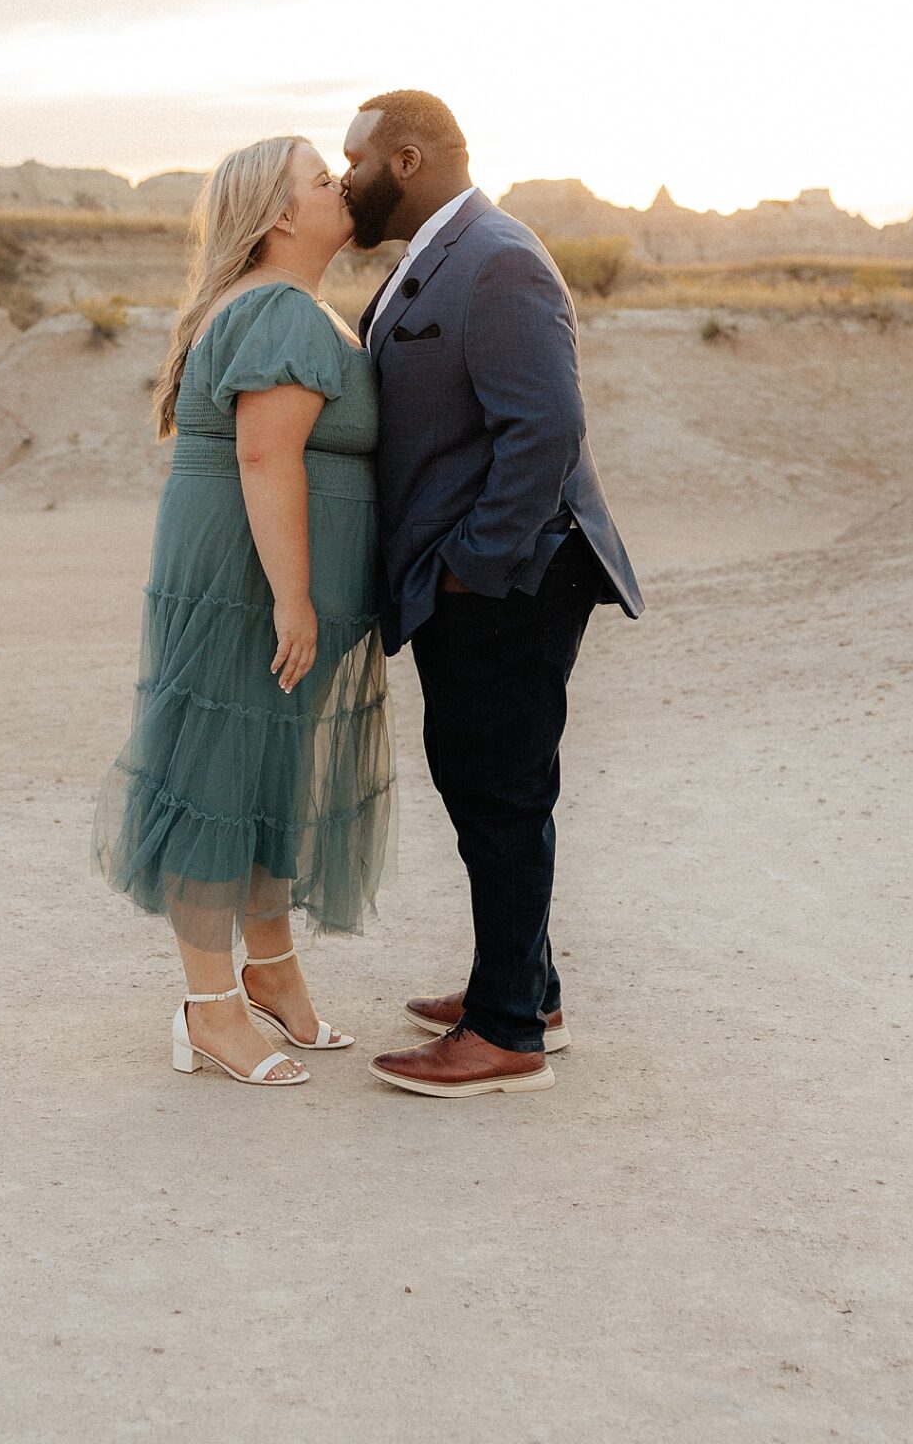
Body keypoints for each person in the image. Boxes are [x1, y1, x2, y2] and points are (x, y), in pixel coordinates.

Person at [343, 90, 642, 1099]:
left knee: (498, 791)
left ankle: (507, 1035)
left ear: (406, 158)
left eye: (354, 160)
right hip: (480, 575)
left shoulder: (497, 257)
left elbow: (545, 426)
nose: (345, 180)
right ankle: (526, 990)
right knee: (487, 784)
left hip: (510, 577)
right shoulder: (440, 255)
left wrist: (475, 560)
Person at [95, 136, 393, 1087]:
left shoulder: (286, 305)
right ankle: (210, 1008)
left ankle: (270, 973)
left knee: (270, 775)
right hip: (250, 582)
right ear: (279, 215)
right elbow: (265, 458)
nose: (342, 186)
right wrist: (293, 600)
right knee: (221, 777)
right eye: (322, 179)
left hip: (255, 575)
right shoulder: (277, 311)